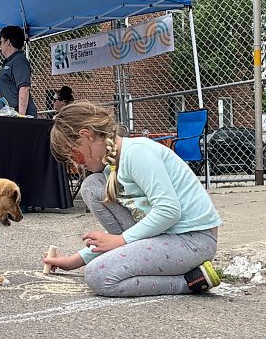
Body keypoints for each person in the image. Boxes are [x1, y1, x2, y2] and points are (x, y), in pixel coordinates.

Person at [43, 102, 222, 297]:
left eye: (75, 156)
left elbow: (169, 211)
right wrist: (74, 261)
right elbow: (137, 220)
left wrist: (121, 240)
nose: (78, 165)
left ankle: (192, 280)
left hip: (192, 241)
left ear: (86, 136)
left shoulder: (137, 153)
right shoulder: (111, 165)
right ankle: (134, 254)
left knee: (99, 276)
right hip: (165, 236)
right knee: (93, 186)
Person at [0, 25, 37, 117]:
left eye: (1, 42)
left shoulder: (19, 60)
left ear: (8, 42)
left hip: (18, 114)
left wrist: (21, 116)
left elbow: (24, 87)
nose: (0, 46)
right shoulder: (9, 62)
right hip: (9, 113)